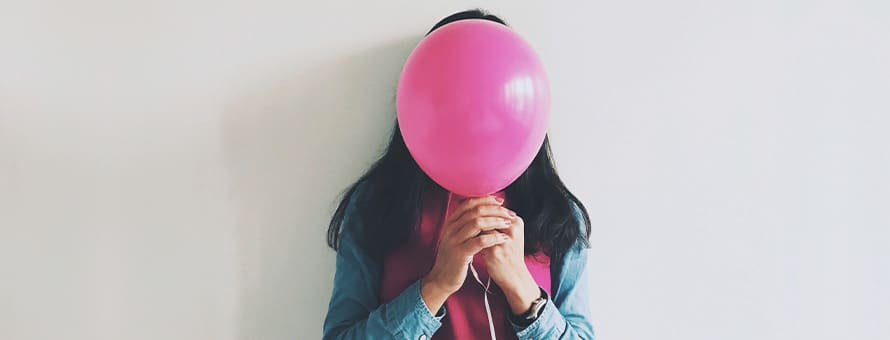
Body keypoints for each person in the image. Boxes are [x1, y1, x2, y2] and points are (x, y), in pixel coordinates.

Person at [322, 9, 595, 340]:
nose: (476, 116)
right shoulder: (375, 206)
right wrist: (435, 286)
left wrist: (523, 291)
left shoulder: (557, 215)